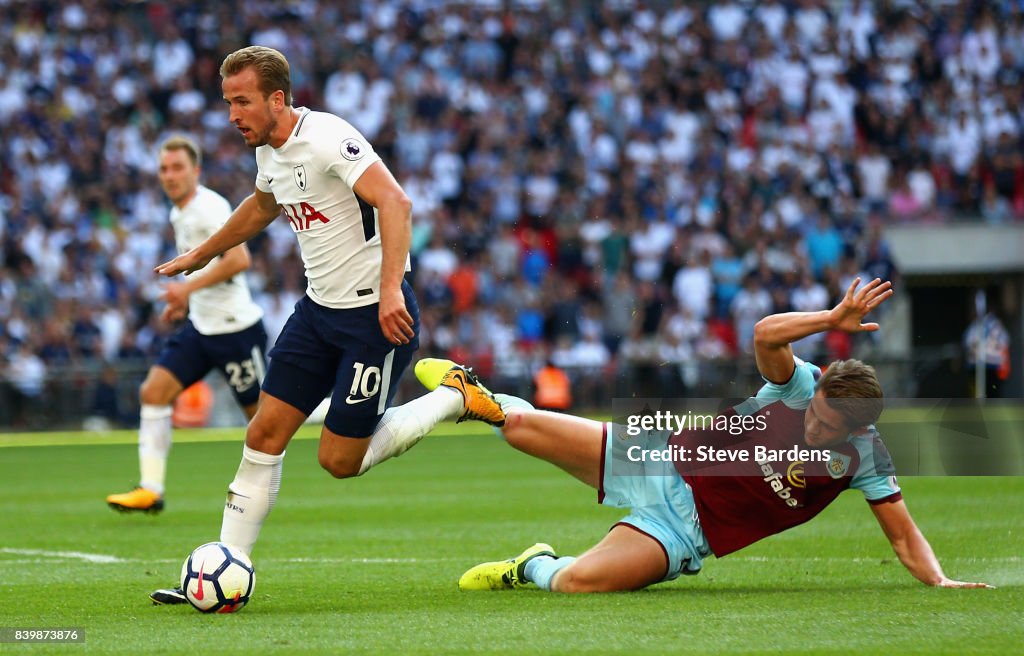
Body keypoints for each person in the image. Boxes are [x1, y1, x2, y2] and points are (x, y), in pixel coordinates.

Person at [149, 46, 504, 604]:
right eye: (227, 102)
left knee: (339, 461)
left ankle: (452, 397)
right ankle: (224, 569)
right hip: (317, 315)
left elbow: (396, 202)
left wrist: (390, 291)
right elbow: (263, 206)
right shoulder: (269, 150)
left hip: (374, 319)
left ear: (277, 99)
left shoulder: (328, 138)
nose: (232, 114)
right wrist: (203, 254)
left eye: (241, 102)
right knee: (263, 434)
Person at [416, 278, 991, 592]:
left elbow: (904, 537)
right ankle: (473, 398)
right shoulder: (801, 385)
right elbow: (766, 335)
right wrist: (828, 319)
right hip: (655, 456)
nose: (816, 423)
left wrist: (939, 580)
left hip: (683, 531)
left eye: (831, 426)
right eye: (817, 410)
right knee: (515, 428)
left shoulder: (866, 457)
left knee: (575, 584)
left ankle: (529, 566)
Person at [106, 136, 268, 514]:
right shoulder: (179, 212)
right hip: (202, 327)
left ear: (196, 171)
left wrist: (186, 289)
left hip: (235, 330)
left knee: (267, 419)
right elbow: (209, 266)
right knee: (153, 392)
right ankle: (151, 489)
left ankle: (338, 407)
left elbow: (238, 260)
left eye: (178, 167)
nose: (169, 176)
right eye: (164, 168)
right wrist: (186, 301)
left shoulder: (208, 207)